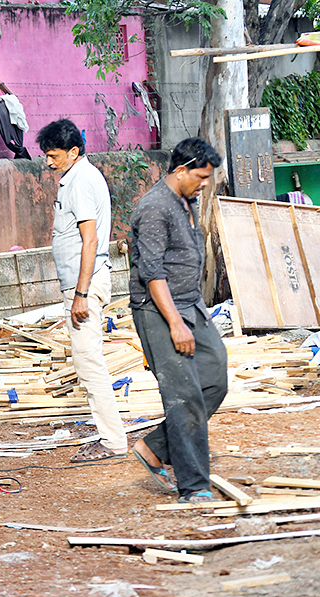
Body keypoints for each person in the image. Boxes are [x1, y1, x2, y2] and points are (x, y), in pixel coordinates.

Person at [126, 138, 227, 504]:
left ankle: (154, 447)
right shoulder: (155, 208)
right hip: (160, 310)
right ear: (180, 170)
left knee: (215, 378)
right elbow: (152, 274)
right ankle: (194, 486)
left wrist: (190, 315)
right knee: (184, 397)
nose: (204, 183)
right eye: (200, 177)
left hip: (191, 305)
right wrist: (175, 324)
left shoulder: (188, 200)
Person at [36, 119, 128, 463]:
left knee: (89, 361)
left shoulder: (80, 182)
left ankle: (113, 441)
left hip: (84, 284)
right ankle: (111, 436)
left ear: (74, 152)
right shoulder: (76, 178)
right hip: (82, 283)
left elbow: (89, 240)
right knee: (87, 359)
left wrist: (81, 293)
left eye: (54, 155)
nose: (48, 161)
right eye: (46, 155)